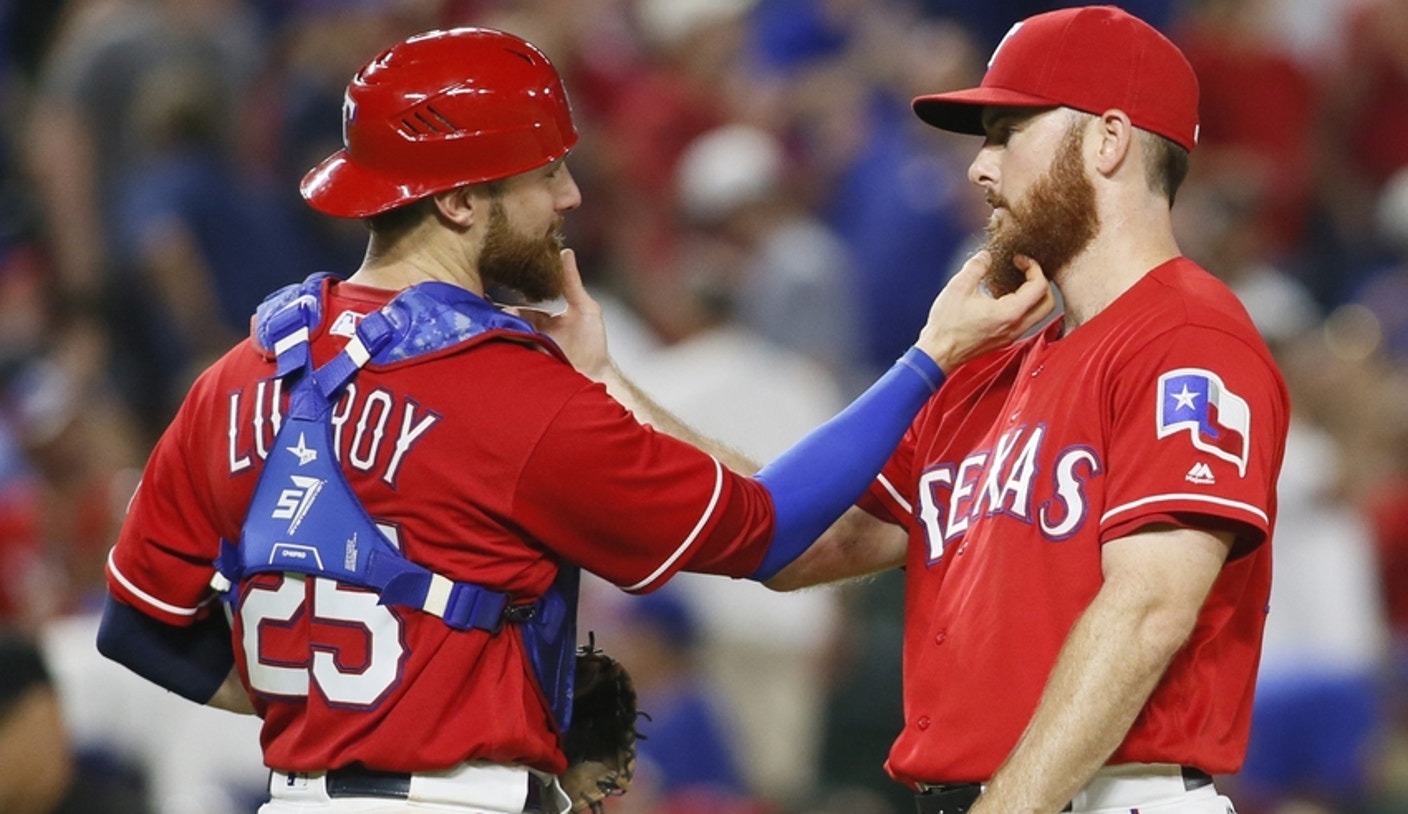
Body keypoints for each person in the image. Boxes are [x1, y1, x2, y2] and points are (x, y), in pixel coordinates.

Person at [93, 25, 1053, 814]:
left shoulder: (242, 374)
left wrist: (335, 712)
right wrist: (930, 356)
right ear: (462, 199)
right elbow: (767, 534)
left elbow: (141, 629)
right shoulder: (504, 393)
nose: (569, 196)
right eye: (541, 173)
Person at [747, 6, 1288, 814]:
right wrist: (611, 390)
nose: (980, 167)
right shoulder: (984, 367)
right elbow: (789, 538)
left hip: (1109, 797)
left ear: (1108, 141)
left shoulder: (1189, 339)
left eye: (1008, 131)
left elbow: (1148, 610)